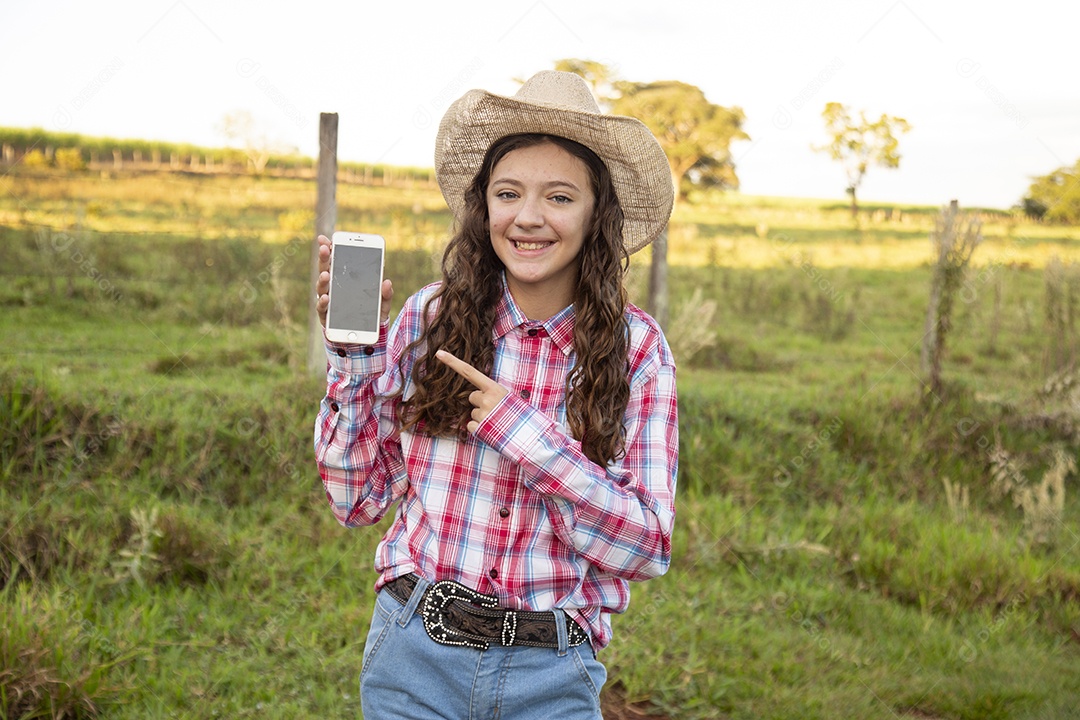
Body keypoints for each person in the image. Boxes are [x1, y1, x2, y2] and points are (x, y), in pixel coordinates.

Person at [313, 70, 677, 719]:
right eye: (508, 193)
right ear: (485, 207)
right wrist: (354, 363)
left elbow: (646, 547)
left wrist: (528, 437)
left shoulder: (638, 349)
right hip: (413, 655)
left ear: (597, 213)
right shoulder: (429, 319)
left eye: (559, 197)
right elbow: (357, 499)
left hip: (551, 675)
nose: (528, 217)